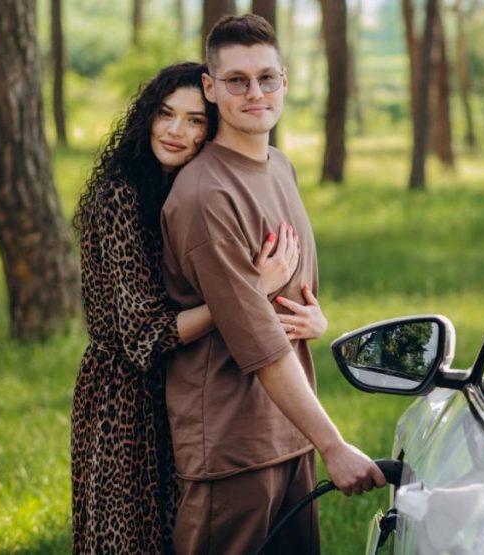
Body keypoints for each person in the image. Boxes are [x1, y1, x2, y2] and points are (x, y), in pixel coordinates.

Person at [72, 62, 323, 554]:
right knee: (133, 541)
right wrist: (246, 290)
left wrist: (311, 318)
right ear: (146, 117)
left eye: (194, 120)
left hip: (188, 387)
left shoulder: (193, 187)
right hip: (126, 399)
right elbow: (146, 335)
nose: (175, 130)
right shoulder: (120, 196)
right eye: (165, 114)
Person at [159, 15, 384, 554]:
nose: (255, 93)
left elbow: (283, 303)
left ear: (284, 80)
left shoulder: (279, 166)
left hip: (288, 434)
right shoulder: (204, 195)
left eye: (266, 78)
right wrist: (334, 445)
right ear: (211, 89)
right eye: (236, 80)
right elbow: (258, 345)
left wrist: (315, 320)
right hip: (232, 451)